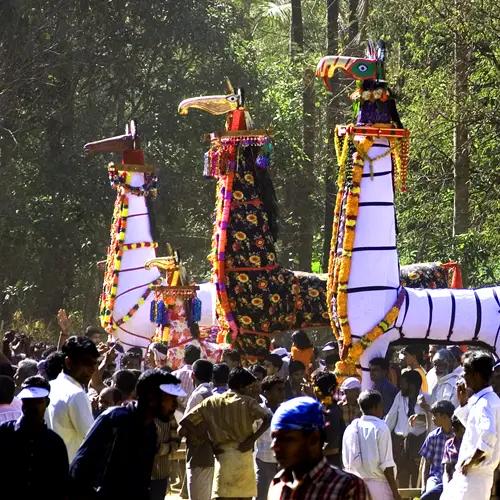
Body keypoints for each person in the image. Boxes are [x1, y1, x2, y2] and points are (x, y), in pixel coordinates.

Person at [69, 369, 186, 500]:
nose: (175, 405)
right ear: (152, 398)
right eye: (171, 399)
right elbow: (79, 467)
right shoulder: (115, 419)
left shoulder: (150, 429)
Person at [180, 367, 272, 499]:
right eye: (249, 387)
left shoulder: (211, 402)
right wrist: (252, 439)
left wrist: (209, 441)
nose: (251, 390)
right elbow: (268, 418)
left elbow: (185, 421)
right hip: (244, 464)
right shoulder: (248, 402)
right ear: (241, 386)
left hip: (223, 463)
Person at [269, 396, 369, 499]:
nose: (274, 446)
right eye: (274, 438)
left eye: (286, 439)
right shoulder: (278, 483)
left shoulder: (347, 486)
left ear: (313, 439)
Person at [441, 351, 500, 500]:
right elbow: (476, 430)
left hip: (474, 477)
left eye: (466, 372)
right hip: (471, 476)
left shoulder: (485, 403)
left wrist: (471, 461)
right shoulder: (487, 400)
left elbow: (489, 435)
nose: (463, 377)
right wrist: (463, 403)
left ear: (477, 375)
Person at [0, 376, 69, 500]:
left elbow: (60, 486)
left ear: (46, 403)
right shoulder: (4, 433)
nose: (31, 406)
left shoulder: (55, 443)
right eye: (27, 401)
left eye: (37, 401)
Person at [46, 335, 99, 461]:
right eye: (86, 363)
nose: (92, 369)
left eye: (94, 363)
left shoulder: (51, 386)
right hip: (70, 472)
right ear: (68, 363)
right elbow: (94, 441)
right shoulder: (76, 394)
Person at [343, 390, 400, 500]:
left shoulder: (350, 429)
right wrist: (395, 493)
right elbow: (387, 467)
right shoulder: (381, 428)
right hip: (378, 489)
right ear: (376, 407)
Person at [385, 369, 427, 487]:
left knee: (417, 478)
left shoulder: (425, 398)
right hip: (400, 444)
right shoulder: (400, 396)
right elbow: (391, 417)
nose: (400, 386)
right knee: (401, 477)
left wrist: (421, 417)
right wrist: (383, 434)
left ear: (412, 385)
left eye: (403, 383)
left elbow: (432, 419)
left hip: (417, 444)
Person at [184, 359, 215, 500]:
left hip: (198, 454)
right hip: (211, 454)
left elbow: (184, 426)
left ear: (193, 375)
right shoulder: (213, 394)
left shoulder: (198, 395)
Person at [255, 375, 285, 500]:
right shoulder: (259, 410)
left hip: (282, 463)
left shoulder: (285, 410)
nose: (282, 393)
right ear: (267, 393)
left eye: (282, 389)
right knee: (262, 495)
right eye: (278, 390)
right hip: (264, 460)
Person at [419, 400, 455, 497]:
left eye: (435, 415)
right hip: (436, 478)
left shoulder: (458, 436)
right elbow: (426, 465)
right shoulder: (433, 436)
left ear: (445, 416)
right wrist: (423, 486)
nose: (433, 418)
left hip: (453, 479)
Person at [313, 371, 345, 467]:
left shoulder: (332, 412)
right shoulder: (323, 407)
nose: (313, 389)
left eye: (314, 386)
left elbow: (333, 448)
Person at [173, 344, 201, 412]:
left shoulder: (174, 375)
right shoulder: (201, 378)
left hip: (176, 415)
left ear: (184, 358)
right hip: (193, 417)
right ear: (198, 359)